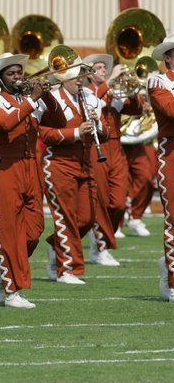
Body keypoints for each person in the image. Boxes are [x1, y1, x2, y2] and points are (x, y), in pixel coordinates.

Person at [0, 52, 66, 309]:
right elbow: (6, 123)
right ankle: (11, 290)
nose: (18, 77)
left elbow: (60, 121)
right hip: (4, 170)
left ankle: (4, 274)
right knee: (9, 234)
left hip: (31, 167)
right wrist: (32, 99)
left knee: (33, 231)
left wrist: (47, 93)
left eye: (20, 72)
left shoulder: (32, 100)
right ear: (0, 78)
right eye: (11, 73)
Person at [40, 52, 109, 285]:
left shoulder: (91, 97)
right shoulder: (52, 98)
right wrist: (77, 132)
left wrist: (98, 124)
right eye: (74, 75)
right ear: (62, 76)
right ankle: (68, 270)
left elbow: (106, 133)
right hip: (58, 164)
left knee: (88, 218)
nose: (79, 79)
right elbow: (45, 134)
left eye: (82, 74)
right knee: (66, 217)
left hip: (86, 163)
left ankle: (57, 244)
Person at [84, 54, 142, 262]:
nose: (103, 70)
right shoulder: (85, 92)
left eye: (104, 68)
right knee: (100, 199)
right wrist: (110, 82)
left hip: (116, 146)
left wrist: (133, 90)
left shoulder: (114, 91)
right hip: (95, 146)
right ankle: (100, 248)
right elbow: (91, 101)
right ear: (89, 72)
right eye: (98, 68)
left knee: (118, 202)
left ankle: (101, 242)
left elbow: (137, 109)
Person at [147, 34, 174, 302]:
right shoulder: (158, 81)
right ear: (167, 57)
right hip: (172, 152)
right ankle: (173, 280)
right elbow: (170, 110)